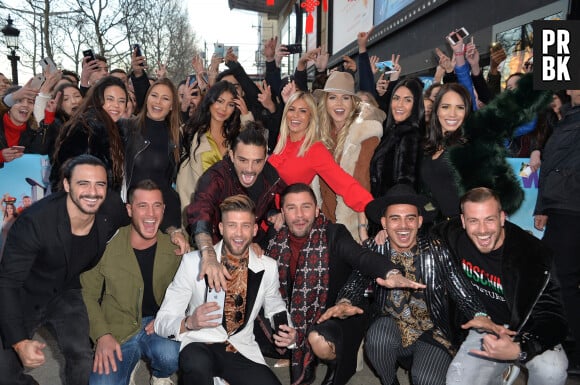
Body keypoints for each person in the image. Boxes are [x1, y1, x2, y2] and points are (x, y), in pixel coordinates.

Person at [336, 184, 498, 385]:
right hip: (390, 329)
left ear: (420, 221)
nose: (403, 226)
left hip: (431, 333)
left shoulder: (436, 249)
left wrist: (480, 315)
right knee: (377, 340)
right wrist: (344, 301)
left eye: (410, 218)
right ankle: (389, 382)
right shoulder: (374, 248)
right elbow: (356, 281)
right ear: (384, 223)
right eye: (395, 219)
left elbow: (460, 288)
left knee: (425, 379)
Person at [266, 183, 425, 385]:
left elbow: (362, 257)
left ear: (316, 210)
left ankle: (334, 360)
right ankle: (301, 348)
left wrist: (390, 271)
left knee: (318, 340)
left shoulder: (333, 233)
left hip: (341, 313)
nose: (299, 215)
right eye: (291, 208)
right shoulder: (275, 240)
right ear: (283, 212)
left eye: (306, 207)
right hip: (295, 315)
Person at [0, 155, 128, 385]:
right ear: (67, 185)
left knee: (81, 357)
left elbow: (139, 217)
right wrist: (19, 342)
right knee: (3, 374)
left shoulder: (110, 208)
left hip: (68, 291)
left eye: (100, 184)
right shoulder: (34, 223)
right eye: (83, 183)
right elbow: (8, 283)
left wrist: (174, 232)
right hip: (26, 295)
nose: (93, 192)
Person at [155, 195, 296, 385]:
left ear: (254, 230)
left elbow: (274, 304)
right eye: (232, 225)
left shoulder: (267, 266)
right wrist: (189, 322)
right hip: (201, 344)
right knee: (196, 363)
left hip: (240, 349)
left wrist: (287, 330)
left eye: (245, 226)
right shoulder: (192, 263)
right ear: (221, 228)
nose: (239, 234)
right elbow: (163, 321)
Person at [436, 187, 569, 385]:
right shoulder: (452, 235)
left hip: (525, 329)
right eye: (474, 221)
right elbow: (418, 233)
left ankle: (512, 361)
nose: (482, 230)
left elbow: (555, 317)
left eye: (489, 219)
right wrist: (385, 237)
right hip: (484, 328)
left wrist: (521, 348)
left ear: (502, 218)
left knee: (552, 370)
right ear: (463, 221)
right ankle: (502, 371)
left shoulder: (533, 255)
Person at [81, 180, 181, 385]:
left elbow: (189, 289)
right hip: (118, 329)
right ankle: (131, 363)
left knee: (172, 356)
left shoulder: (177, 246)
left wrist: (172, 318)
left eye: (156, 206)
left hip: (159, 324)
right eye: (142, 206)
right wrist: (102, 335)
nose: (151, 214)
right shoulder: (106, 245)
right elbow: (87, 294)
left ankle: (160, 375)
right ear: (129, 209)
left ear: (164, 209)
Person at [268, 91, 374, 217]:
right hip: (265, 212)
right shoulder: (283, 139)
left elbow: (344, 183)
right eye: (291, 109)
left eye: (303, 111)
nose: (295, 115)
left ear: (311, 116)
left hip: (287, 218)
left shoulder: (315, 149)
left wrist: (374, 208)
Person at [186, 124, 286, 256]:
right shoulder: (216, 176)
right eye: (243, 160)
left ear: (265, 159)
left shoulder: (271, 176)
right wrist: (208, 252)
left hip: (254, 247)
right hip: (217, 248)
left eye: (257, 161)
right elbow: (201, 210)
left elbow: (288, 196)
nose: (249, 169)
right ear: (232, 155)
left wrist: (277, 214)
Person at [534, 88, 580, 374]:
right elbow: (553, 165)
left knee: (561, 278)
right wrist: (543, 205)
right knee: (558, 278)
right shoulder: (567, 117)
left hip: (571, 208)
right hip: (562, 208)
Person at [314, 70, 385, 243]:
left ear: (353, 102)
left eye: (345, 97)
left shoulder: (364, 135)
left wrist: (361, 229)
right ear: (325, 102)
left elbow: (362, 183)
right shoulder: (319, 134)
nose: (339, 103)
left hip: (351, 225)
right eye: (332, 97)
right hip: (322, 222)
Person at [121, 78, 182, 231]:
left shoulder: (175, 136)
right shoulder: (127, 127)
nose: (158, 102)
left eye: (165, 98)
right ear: (146, 97)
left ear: (172, 105)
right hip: (127, 211)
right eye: (154, 95)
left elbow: (168, 182)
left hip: (160, 213)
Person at [50, 76, 127, 191]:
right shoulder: (86, 129)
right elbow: (65, 175)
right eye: (110, 99)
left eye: (121, 101)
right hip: (85, 201)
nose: (116, 105)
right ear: (98, 99)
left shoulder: (114, 129)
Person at [176, 80, 243, 211]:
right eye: (220, 101)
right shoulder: (189, 132)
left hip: (228, 210)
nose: (223, 109)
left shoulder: (237, 137)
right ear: (210, 100)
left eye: (230, 104)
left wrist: (246, 116)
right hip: (195, 209)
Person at [369, 78, 424, 200]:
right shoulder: (392, 132)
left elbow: (405, 184)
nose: (400, 104)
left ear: (416, 105)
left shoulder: (410, 136)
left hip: (394, 209)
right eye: (396, 98)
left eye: (407, 100)